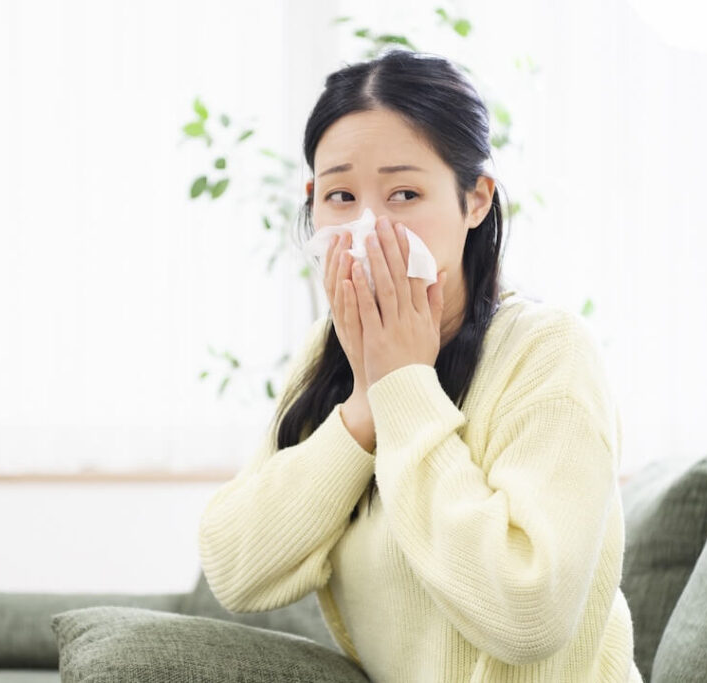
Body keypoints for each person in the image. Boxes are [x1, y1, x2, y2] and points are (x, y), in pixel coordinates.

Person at [197, 48, 642, 682]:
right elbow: (235, 568)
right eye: (341, 195)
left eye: (404, 192)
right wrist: (363, 406)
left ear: (475, 201)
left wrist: (405, 385)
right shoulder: (332, 353)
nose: (369, 225)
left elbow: (528, 614)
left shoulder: (549, 351)